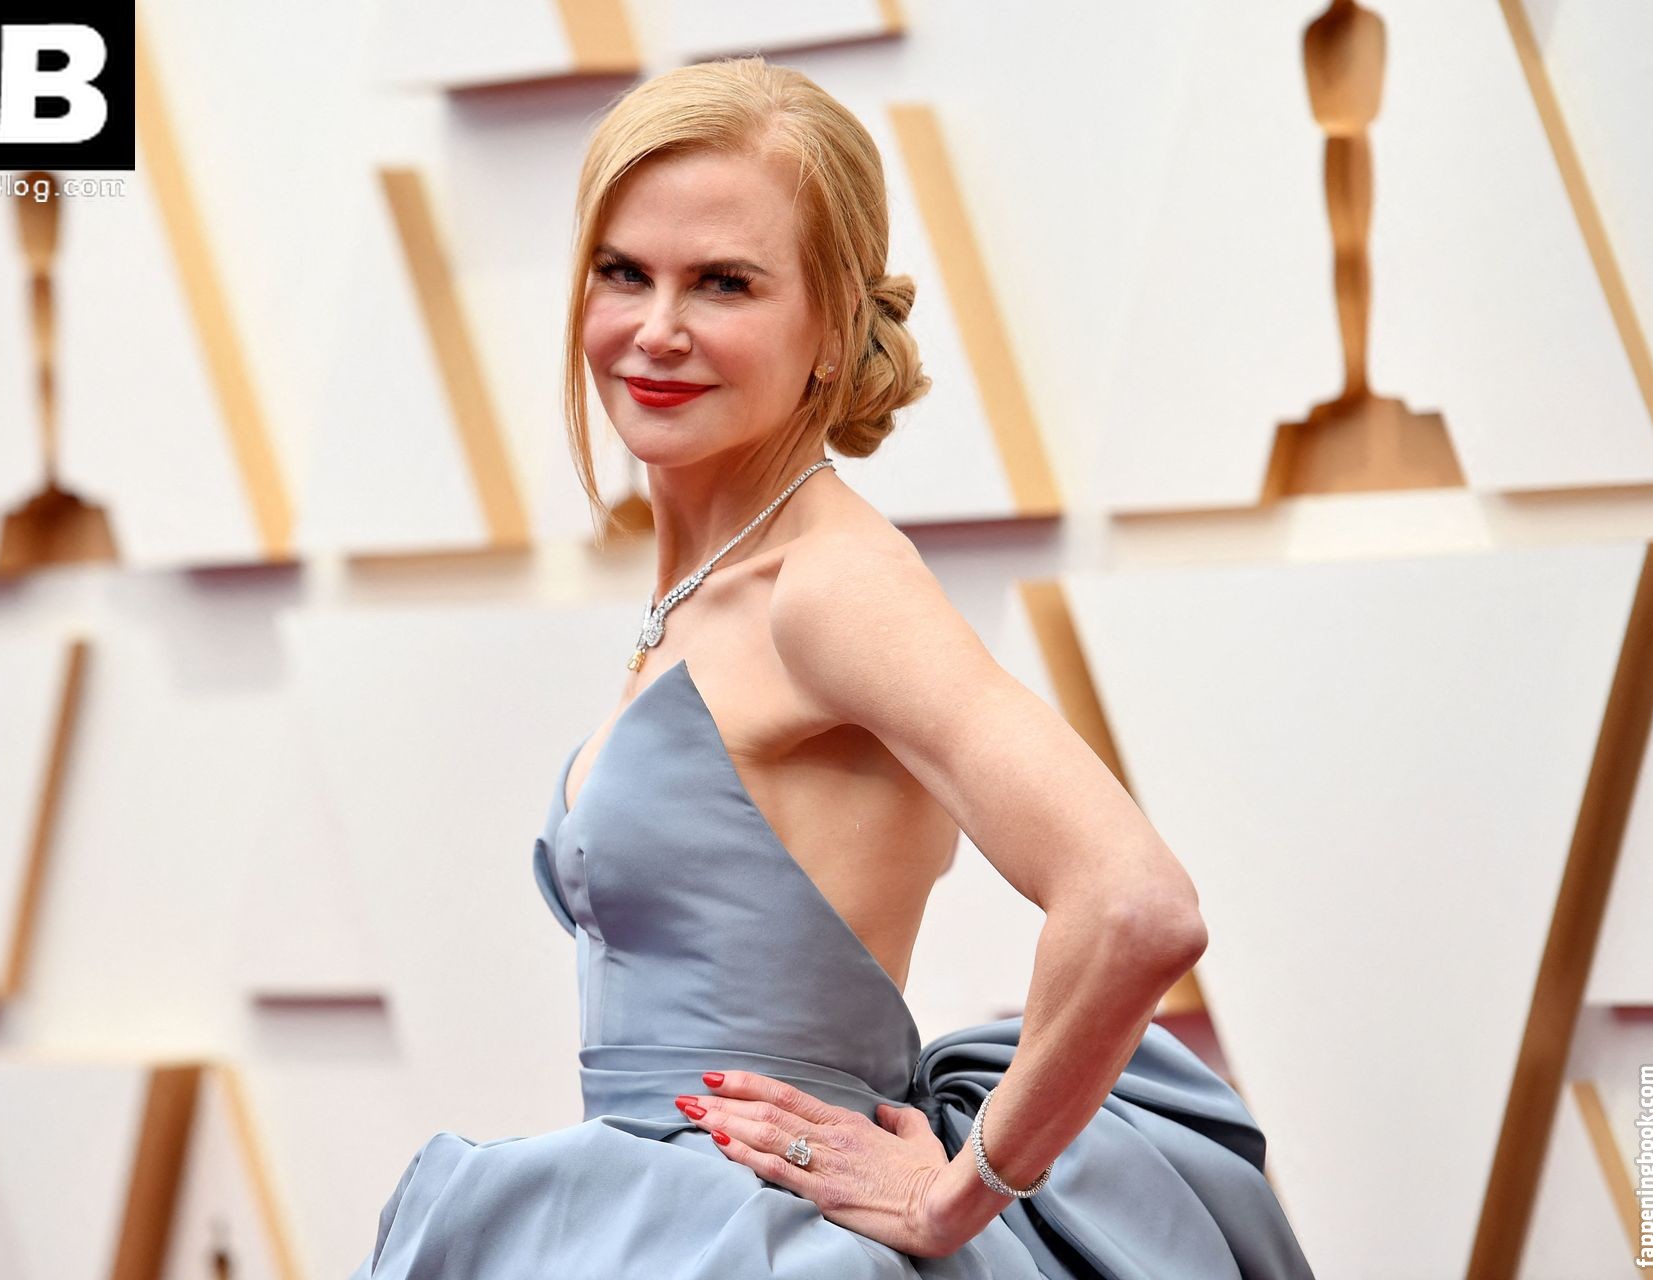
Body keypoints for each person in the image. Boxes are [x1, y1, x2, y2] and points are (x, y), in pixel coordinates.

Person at [350, 56, 1315, 1278]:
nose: (656, 328)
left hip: (766, 1242)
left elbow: (1137, 903)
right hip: (657, 1220)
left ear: (832, 324)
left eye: (725, 282)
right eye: (622, 270)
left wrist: (964, 1189)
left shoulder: (829, 585)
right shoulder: (709, 582)